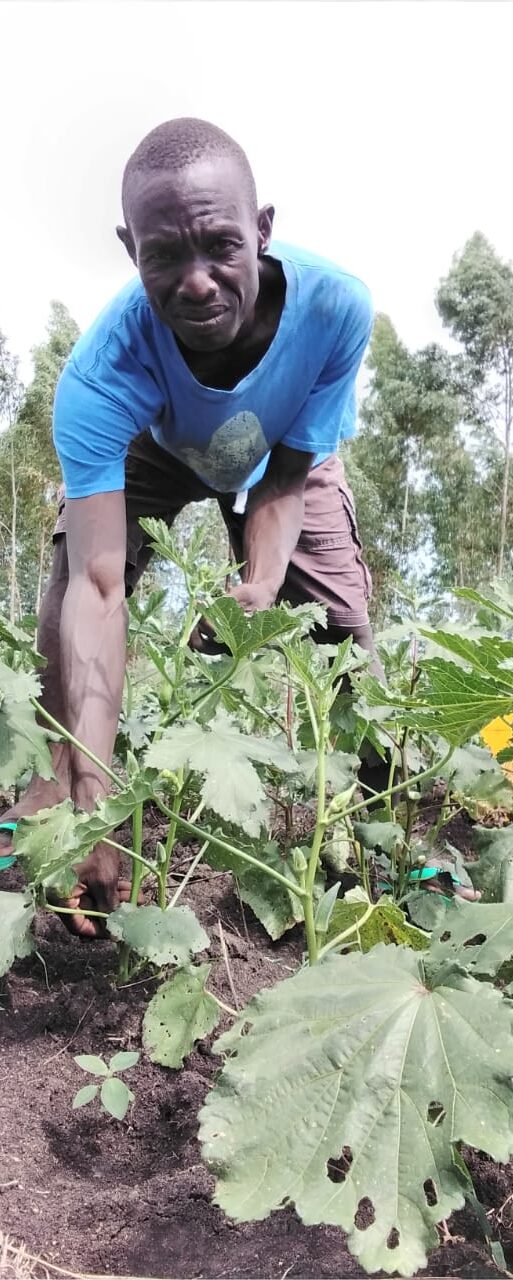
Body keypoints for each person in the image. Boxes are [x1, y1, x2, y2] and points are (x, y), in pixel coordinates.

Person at [0, 117, 391, 933]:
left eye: (220, 246)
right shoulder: (102, 375)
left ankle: (381, 841)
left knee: (346, 628)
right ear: (128, 247)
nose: (198, 281)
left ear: (263, 231)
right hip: (159, 446)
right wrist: (101, 804)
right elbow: (102, 588)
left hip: (284, 452)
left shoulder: (333, 307)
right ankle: (51, 808)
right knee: (66, 593)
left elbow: (286, 474)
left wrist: (258, 585)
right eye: (164, 256)